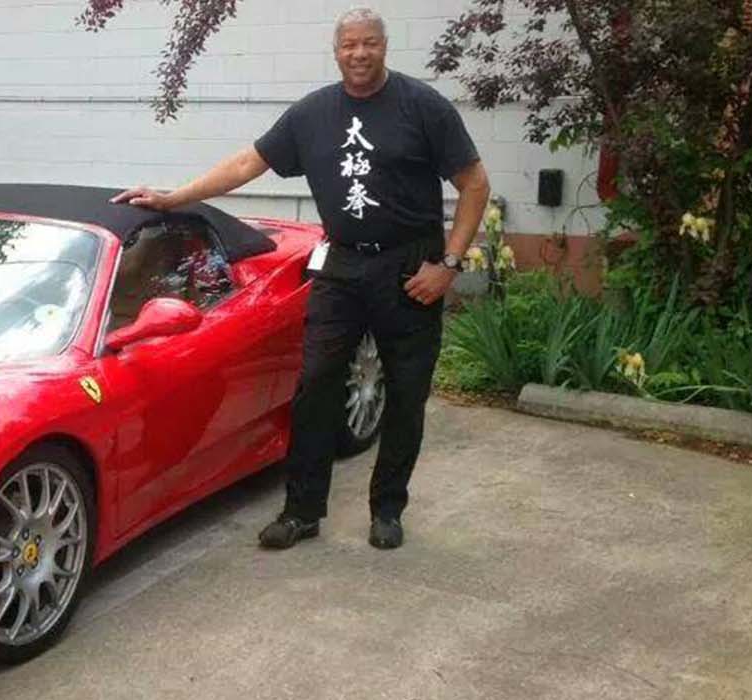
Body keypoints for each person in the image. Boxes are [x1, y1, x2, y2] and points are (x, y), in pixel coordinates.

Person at [111, 6, 490, 551]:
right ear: (336, 52)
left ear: (385, 47)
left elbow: (475, 184)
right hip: (342, 264)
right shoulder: (313, 113)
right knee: (314, 386)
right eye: (349, 45)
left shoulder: (422, 106)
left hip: (411, 268)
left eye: (369, 43)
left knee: (406, 393)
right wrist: (174, 198)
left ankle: (387, 508)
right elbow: (247, 164)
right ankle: (302, 510)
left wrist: (448, 265)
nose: (359, 53)